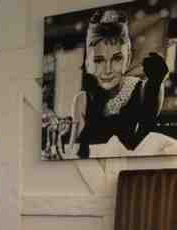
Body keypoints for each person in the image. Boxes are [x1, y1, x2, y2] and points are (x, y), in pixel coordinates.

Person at [68, 9, 170, 159]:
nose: (108, 70)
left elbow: (146, 141)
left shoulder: (145, 90)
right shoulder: (82, 100)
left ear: (128, 59)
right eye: (99, 60)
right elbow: (72, 154)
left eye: (117, 58)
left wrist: (156, 82)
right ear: (88, 63)